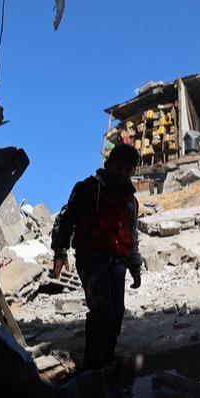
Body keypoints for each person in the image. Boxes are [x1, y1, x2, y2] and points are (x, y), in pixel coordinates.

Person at [50, 144, 143, 371]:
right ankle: (92, 366)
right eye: (119, 167)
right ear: (108, 164)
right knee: (102, 309)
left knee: (117, 314)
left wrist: (134, 265)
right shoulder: (88, 189)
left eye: (128, 170)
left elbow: (131, 235)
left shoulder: (131, 201)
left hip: (118, 263)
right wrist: (60, 251)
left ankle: (107, 362)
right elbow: (66, 219)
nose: (122, 174)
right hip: (91, 258)